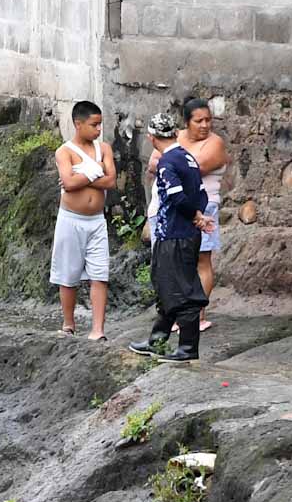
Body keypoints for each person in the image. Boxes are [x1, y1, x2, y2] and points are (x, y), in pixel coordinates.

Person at [129, 114, 214, 362]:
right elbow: (201, 194)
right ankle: (158, 340)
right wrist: (198, 215)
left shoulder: (167, 162)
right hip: (184, 234)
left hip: (175, 235)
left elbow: (177, 197)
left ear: (151, 138)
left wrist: (195, 217)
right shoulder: (188, 158)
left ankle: (187, 348)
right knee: (166, 285)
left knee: (182, 290)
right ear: (176, 133)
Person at [51, 100, 116, 339]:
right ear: (78, 124)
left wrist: (83, 173)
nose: (98, 129)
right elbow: (68, 184)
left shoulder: (104, 149)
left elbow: (111, 182)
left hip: (96, 220)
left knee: (100, 274)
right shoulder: (64, 151)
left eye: (100, 125)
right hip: (71, 219)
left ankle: (97, 329)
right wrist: (96, 169)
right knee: (68, 274)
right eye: (94, 125)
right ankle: (69, 323)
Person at [176, 99, 228, 332]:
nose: (205, 125)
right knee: (180, 261)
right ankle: (183, 312)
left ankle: (198, 314)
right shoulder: (177, 138)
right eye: (199, 121)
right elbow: (157, 162)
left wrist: (169, 165)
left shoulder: (215, 143)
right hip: (181, 207)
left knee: (202, 259)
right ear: (187, 122)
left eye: (208, 120)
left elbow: (194, 170)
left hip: (206, 205)